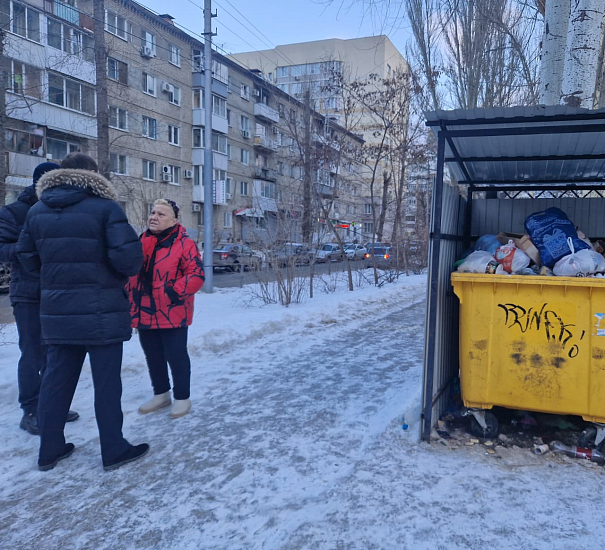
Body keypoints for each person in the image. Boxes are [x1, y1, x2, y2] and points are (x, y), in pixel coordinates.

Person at [17, 153, 149, 471]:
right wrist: (110, 279)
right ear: (92, 174)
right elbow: (130, 260)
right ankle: (113, 450)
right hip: (102, 311)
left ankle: (49, 450)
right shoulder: (106, 208)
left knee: (55, 381)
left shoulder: (37, 211)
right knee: (106, 383)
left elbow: (26, 257)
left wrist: (54, 280)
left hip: (57, 311)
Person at [0, 161, 80, 435]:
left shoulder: (61, 210)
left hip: (59, 293)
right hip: (29, 294)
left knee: (55, 354)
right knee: (33, 354)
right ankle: (31, 410)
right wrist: (30, 249)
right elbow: (3, 249)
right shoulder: (14, 212)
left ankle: (51, 405)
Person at [128, 199, 204, 419]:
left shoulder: (184, 244)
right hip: (145, 310)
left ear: (174, 220)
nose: (154, 217)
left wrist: (173, 292)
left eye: (161, 214)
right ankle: (161, 394)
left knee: (176, 355)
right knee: (153, 355)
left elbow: (196, 275)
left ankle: (182, 397)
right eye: (152, 212)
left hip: (172, 311)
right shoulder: (142, 241)